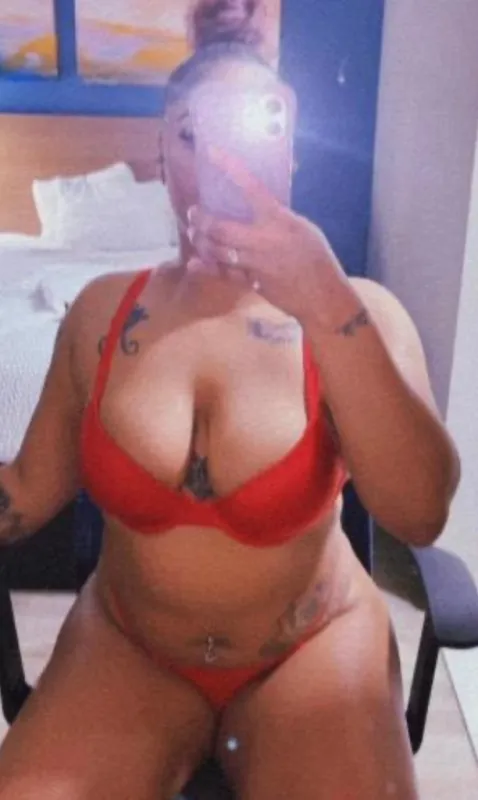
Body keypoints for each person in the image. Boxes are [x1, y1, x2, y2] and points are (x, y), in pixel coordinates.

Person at [0, 2, 461, 799]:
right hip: (130, 650)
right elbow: (27, 493)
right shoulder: (100, 315)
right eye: (190, 133)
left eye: (252, 127)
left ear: (292, 149)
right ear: (160, 154)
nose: (220, 157)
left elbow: (421, 513)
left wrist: (325, 304)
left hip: (312, 650)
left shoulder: (362, 312)